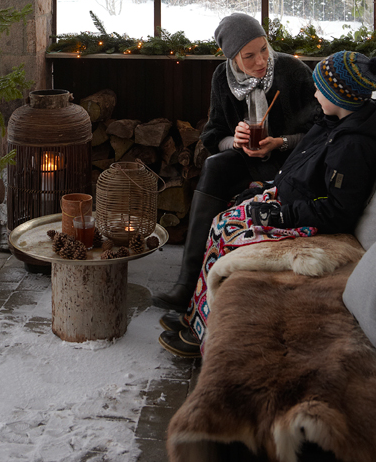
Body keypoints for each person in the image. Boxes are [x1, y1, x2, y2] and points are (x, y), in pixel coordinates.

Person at [159, 50, 376, 359]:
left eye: (320, 88)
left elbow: (337, 211)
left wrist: (279, 213)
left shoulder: (354, 145)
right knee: (222, 221)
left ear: (338, 95)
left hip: (307, 220)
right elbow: (300, 169)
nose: (314, 93)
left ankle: (206, 335)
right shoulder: (331, 122)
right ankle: (200, 316)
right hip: (288, 200)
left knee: (228, 231)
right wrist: (268, 188)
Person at [152, 12, 318, 318]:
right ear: (232, 58)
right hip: (247, 159)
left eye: (264, 49)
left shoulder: (292, 71)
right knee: (215, 165)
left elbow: (319, 132)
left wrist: (279, 141)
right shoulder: (222, 78)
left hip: (289, 159)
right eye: (249, 56)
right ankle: (185, 285)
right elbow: (213, 134)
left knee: (239, 166)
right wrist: (236, 141)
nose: (260, 61)